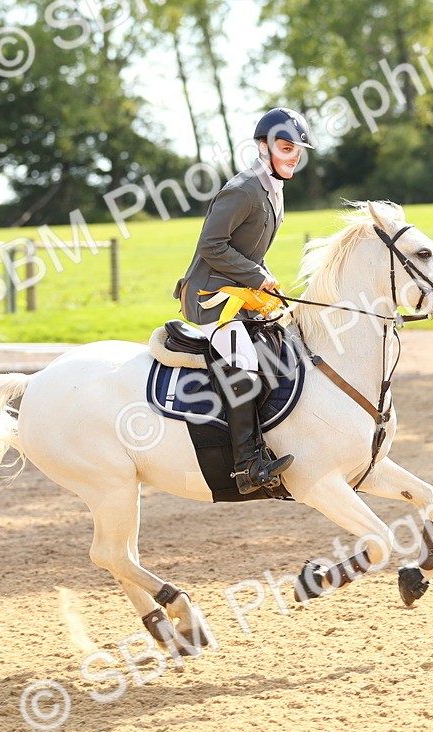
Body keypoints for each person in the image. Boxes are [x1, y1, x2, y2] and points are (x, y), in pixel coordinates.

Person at [173, 107, 314, 494]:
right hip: (210, 298)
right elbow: (211, 245)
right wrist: (257, 276)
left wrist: (264, 282)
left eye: (297, 150)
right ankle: (247, 464)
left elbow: (249, 249)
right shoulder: (243, 189)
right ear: (263, 148)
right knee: (245, 359)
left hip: (240, 292)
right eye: (286, 148)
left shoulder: (274, 190)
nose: (293, 157)